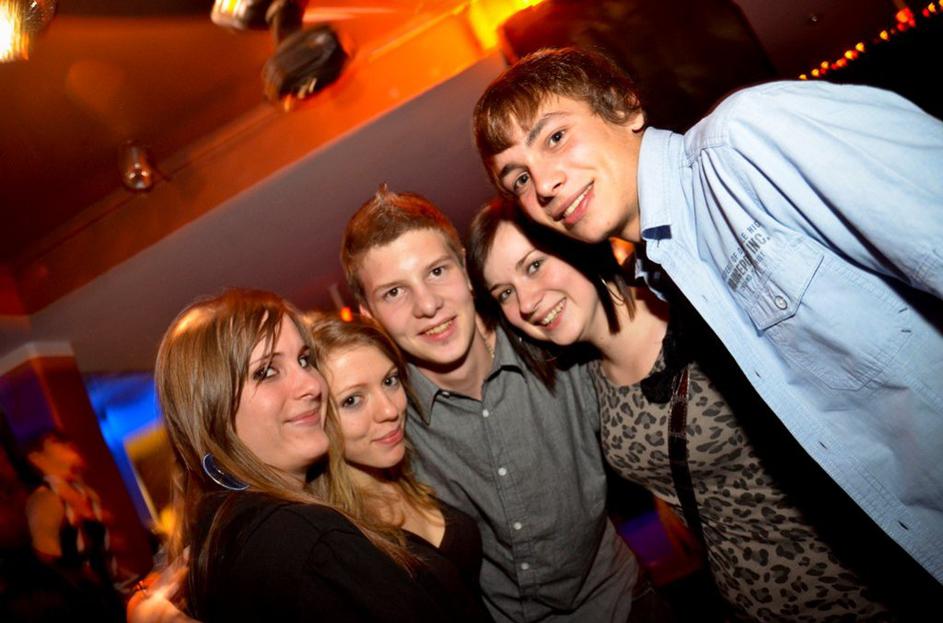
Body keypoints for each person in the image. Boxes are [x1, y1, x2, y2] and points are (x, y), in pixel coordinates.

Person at [472, 47, 943, 587]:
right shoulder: (668, 278)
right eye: (518, 179)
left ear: (625, 107)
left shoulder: (744, 141)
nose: (543, 184)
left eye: (555, 137)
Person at [466, 197, 903, 620]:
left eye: (534, 266)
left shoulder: (689, 310)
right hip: (748, 603)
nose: (526, 303)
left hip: (856, 589)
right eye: (504, 293)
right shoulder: (584, 376)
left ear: (574, 244)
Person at [340, 186, 665, 622]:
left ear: (465, 269)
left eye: (436, 271)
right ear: (368, 315)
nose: (428, 305)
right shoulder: (388, 417)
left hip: (627, 603)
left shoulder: (551, 339)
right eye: (394, 293)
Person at [153, 287, 490, 621]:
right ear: (210, 411)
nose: (312, 386)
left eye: (304, 361)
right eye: (267, 372)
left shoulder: (230, 536)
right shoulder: (307, 540)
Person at [308, 311, 491, 619]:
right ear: (316, 418)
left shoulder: (413, 469)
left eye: (390, 381)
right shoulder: (340, 539)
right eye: (352, 400)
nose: (389, 410)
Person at [23, 430, 126, 622]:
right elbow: (47, 565)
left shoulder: (86, 494)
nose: (67, 444)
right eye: (55, 441)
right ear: (36, 458)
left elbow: (107, 550)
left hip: (110, 598)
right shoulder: (44, 500)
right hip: (82, 608)